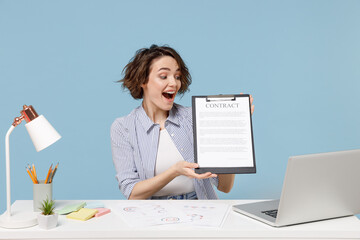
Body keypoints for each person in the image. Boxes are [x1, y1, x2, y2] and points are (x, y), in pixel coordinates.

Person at [111, 44, 254, 200]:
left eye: (177, 76)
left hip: (201, 208)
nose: (174, 83)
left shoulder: (195, 118)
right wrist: (174, 171)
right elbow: (132, 193)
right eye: (164, 76)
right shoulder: (123, 128)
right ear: (142, 80)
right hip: (151, 213)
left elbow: (225, 187)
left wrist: (229, 131)